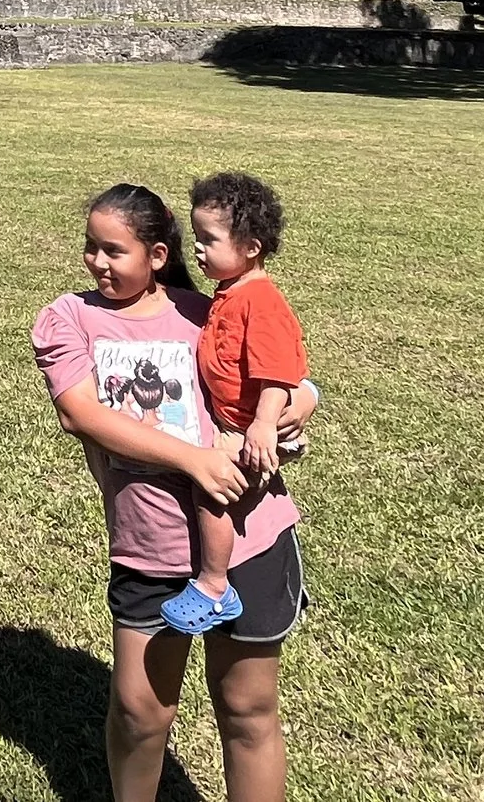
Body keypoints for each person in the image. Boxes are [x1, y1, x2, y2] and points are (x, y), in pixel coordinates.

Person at [31, 182, 310, 802]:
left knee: (248, 711)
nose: (97, 262)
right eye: (90, 248)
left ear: (157, 255)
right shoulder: (70, 318)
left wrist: (298, 401)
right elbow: (81, 415)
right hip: (150, 543)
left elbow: (282, 368)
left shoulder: (206, 307)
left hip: (248, 537)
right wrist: (196, 461)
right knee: (140, 713)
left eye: (113, 250)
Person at [161, 171, 309, 636]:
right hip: (240, 426)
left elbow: (276, 370)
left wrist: (264, 427)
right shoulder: (232, 292)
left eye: (210, 239)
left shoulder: (259, 300)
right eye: (196, 237)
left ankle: (214, 586)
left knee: (212, 490)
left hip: (253, 431)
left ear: (251, 247)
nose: (199, 249)